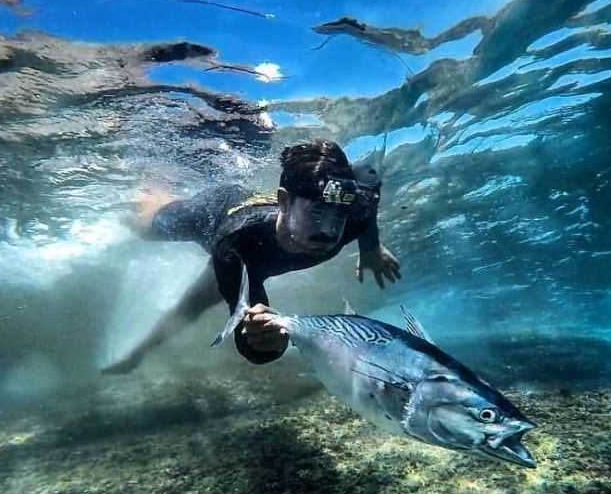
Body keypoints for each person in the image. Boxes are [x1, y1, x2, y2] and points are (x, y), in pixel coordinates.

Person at [101, 139, 401, 374]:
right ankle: (149, 188)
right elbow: (248, 334)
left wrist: (370, 248)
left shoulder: (352, 212)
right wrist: (267, 343)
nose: (330, 230)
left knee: (192, 307)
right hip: (211, 212)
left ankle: (135, 355)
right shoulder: (236, 245)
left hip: (250, 236)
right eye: (317, 212)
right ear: (284, 201)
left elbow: (369, 193)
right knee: (147, 230)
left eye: (339, 215)